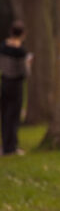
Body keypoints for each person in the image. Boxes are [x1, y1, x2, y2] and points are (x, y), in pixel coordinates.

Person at [0, 20, 32, 156]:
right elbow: (25, 73)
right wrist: (29, 63)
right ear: (23, 34)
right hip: (16, 85)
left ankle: (5, 146)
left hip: (4, 82)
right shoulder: (21, 52)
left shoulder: (2, 46)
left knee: (5, 114)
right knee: (14, 115)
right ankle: (11, 147)